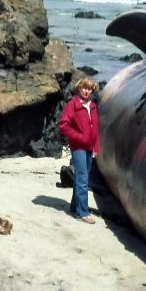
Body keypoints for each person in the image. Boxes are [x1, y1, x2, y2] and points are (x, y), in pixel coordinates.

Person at [58, 77, 100, 223]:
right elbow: (63, 125)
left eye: (89, 89)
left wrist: (96, 146)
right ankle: (83, 213)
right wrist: (79, 137)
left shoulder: (93, 106)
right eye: (84, 88)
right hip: (78, 147)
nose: (86, 91)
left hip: (90, 148)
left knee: (82, 178)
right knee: (83, 180)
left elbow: (95, 130)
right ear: (79, 88)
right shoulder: (72, 104)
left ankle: (75, 207)